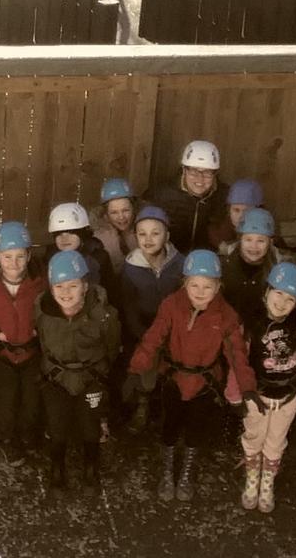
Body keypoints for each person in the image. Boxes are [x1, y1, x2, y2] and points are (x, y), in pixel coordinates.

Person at [126, 250, 252, 502]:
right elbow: (154, 337)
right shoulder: (172, 305)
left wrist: (246, 388)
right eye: (194, 284)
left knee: (195, 429)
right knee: (170, 425)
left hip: (204, 383)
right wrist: (135, 370)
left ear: (218, 286)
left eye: (208, 286)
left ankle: (185, 472)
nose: (200, 291)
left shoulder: (226, 316)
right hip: (174, 378)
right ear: (184, 283)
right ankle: (167, 470)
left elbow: (237, 354)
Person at [224, 262, 296, 513]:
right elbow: (238, 360)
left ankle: (267, 481)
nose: (282, 302)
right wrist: (234, 394)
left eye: (290, 298)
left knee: (275, 441)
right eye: (278, 293)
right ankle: (252, 477)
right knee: (254, 437)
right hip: (258, 396)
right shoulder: (252, 325)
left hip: (287, 396)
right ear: (266, 292)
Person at [36, 251, 120, 494]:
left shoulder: (104, 315)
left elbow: (111, 347)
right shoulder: (42, 310)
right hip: (56, 378)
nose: (66, 292)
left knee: (90, 424)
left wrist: (97, 372)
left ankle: (91, 467)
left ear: (85, 286)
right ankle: (57, 467)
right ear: (51, 288)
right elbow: (42, 342)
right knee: (56, 424)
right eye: (59, 286)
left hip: (90, 378)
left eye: (73, 285)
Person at [0, 221, 46, 467]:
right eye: (7, 257)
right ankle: (4, 439)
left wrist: (41, 330)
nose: (14, 264)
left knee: (31, 399)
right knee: (6, 398)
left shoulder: (40, 279)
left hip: (31, 351)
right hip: (4, 353)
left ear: (28, 255)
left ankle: (27, 435)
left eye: (20, 256)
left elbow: (49, 307)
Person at [118, 205, 184, 434]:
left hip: (173, 325)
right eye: (142, 233)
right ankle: (142, 405)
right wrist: (142, 333)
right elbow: (128, 305)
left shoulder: (179, 264)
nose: (148, 239)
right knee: (144, 365)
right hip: (143, 326)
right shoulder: (131, 268)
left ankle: (166, 406)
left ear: (167, 235)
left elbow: (184, 299)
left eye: (155, 233)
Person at [143, 140, 229, 253]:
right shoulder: (160, 195)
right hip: (169, 261)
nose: (200, 179)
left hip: (207, 264)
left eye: (207, 172)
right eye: (193, 171)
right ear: (184, 169)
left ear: (215, 173)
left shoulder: (226, 196)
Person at [220, 208, 289, 324]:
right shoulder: (223, 263)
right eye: (248, 239)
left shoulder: (280, 269)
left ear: (270, 242)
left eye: (261, 241)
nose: (254, 246)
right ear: (240, 239)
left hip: (262, 330)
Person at [44, 202, 118, 301]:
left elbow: (112, 292)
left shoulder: (99, 257)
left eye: (71, 232)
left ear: (82, 233)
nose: (64, 239)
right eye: (59, 234)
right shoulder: (50, 257)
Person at [93, 178, 138, 275]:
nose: (121, 217)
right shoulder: (99, 240)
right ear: (106, 214)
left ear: (134, 208)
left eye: (126, 210)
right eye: (114, 212)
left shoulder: (145, 228)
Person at [212, 178, 263, 255]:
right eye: (236, 210)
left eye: (246, 211)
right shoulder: (219, 233)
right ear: (229, 211)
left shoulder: (268, 232)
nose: (241, 217)